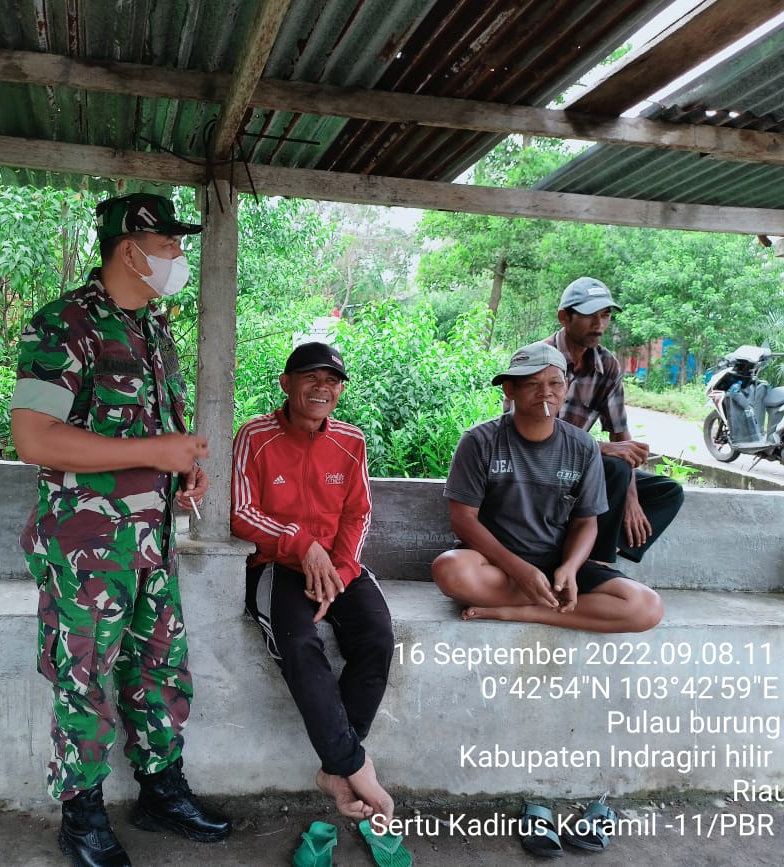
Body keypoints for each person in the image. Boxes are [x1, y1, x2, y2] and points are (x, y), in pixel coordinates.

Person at [10, 193, 230, 866]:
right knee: (84, 677)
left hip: (151, 541)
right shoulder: (65, 324)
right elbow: (33, 437)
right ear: (130, 250)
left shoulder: (152, 325)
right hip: (87, 550)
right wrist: (151, 454)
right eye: (169, 245)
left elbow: (157, 426)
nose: (178, 256)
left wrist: (181, 470)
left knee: (157, 667)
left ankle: (161, 791)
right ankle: (81, 816)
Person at [231, 342, 396, 822]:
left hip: (339, 567)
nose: (322, 387)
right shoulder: (254, 436)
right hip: (276, 565)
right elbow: (241, 512)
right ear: (286, 383)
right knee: (299, 641)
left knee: (377, 637)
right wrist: (302, 544)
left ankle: (334, 767)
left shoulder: (351, 441)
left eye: (332, 380)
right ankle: (353, 766)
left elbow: (358, 513)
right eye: (311, 377)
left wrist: (339, 572)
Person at [432, 341, 664, 633]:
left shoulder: (583, 447)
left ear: (566, 388)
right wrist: (520, 570)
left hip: (556, 566)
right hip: (497, 565)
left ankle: (523, 611)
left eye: (555, 382)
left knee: (646, 606)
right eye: (532, 384)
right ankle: (547, 601)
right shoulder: (480, 441)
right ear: (510, 390)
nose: (546, 392)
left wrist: (569, 567)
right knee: (450, 570)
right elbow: (463, 519)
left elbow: (585, 522)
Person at [545, 277, 684, 564]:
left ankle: (594, 559)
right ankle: (595, 565)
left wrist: (631, 501)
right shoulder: (539, 359)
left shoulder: (606, 364)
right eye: (589, 315)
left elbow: (621, 435)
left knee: (667, 492)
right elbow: (525, 434)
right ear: (564, 317)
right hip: (538, 466)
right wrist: (603, 449)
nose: (599, 324)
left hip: (581, 468)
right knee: (614, 467)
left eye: (605, 315)